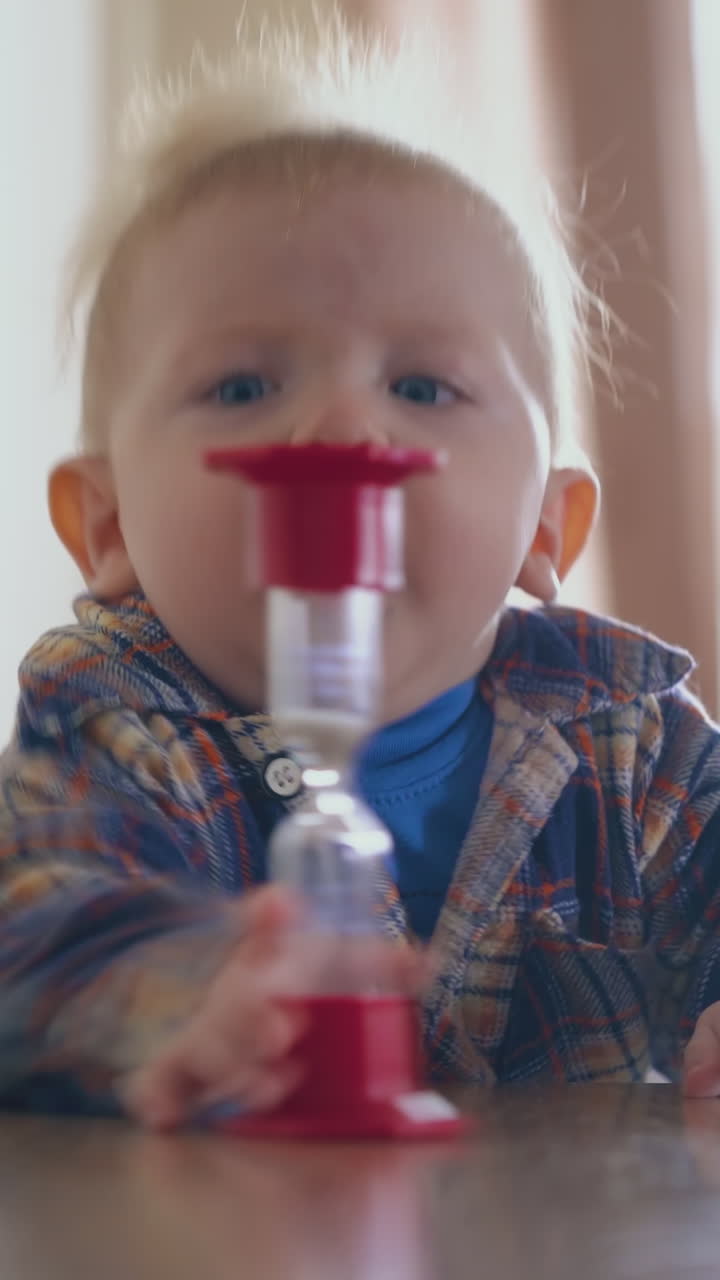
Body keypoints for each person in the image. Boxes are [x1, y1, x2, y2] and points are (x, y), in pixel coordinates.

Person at [2, 12, 720, 1129]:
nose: (337, 429)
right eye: (243, 386)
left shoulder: (630, 740)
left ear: (547, 525)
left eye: (423, 386)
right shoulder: (113, 719)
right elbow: (37, 925)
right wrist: (180, 993)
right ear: (109, 524)